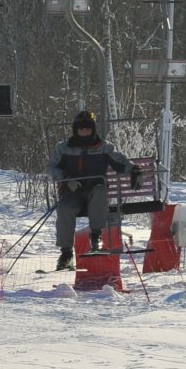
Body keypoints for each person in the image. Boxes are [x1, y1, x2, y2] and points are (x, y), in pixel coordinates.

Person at [50, 110, 140, 270]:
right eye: (81, 129)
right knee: (64, 208)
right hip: (73, 192)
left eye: (88, 129)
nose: (84, 132)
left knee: (100, 191)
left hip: (94, 191)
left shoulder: (103, 148)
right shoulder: (64, 148)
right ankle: (66, 253)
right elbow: (51, 168)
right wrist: (66, 178)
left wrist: (134, 170)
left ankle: (96, 235)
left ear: (93, 130)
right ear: (75, 130)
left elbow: (120, 161)